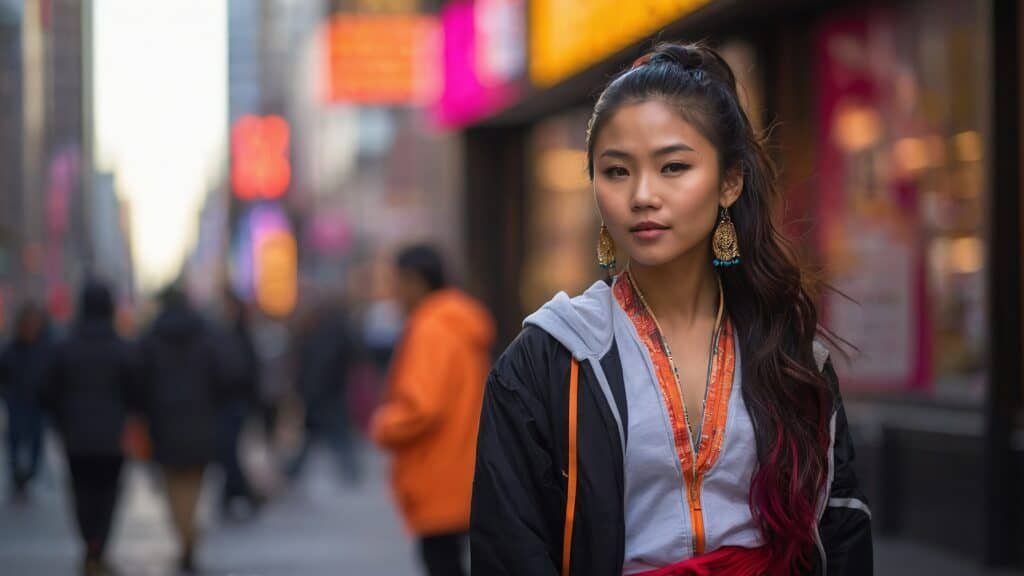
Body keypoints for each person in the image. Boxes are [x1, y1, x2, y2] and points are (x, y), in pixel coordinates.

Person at [470, 43, 873, 576]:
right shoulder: (548, 360)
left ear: (729, 182)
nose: (642, 195)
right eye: (616, 172)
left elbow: (840, 527)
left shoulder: (789, 349)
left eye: (673, 167)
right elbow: (508, 548)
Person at [370, 244, 495, 576]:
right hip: (463, 466)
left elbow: (421, 407)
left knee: (441, 563)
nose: (393, 292)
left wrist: (383, 425)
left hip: (435, 472)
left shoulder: (431, 328)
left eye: (397, 282)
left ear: (415, 281)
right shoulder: (459, 323)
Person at [44, 282, 137, 576]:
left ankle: (91, 548)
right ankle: (98, 549)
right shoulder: (120, 347)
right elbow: (135, 390)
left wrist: (61, 421)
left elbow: (48, 391)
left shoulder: (65, 347)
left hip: (76, 437)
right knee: (107, 495)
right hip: (112, 437)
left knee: (82, 493)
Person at [138, 287, 227, 573]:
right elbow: (224, 376)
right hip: (201, 420)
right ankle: (188, 535)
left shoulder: (150, 339)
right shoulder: (206, 337)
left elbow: (139, 382)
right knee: (194, 485)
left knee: (173, 486)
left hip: (164, 422)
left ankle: (184, 534)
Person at [216, 289, 262, 518]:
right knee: (229, 453)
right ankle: (232, 495)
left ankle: (240, 494)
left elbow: (246, 371)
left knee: (230, 453)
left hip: (233, 403)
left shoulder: (236, 334)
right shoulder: (232, 333)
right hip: (231, 403)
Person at [0, 302, 52, 499]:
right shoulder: (11, 349)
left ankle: (28, 476)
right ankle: (17, 478)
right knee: (14, 441)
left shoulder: (45, 349)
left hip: (37, 404)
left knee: (36, 443)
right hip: (16, 403)